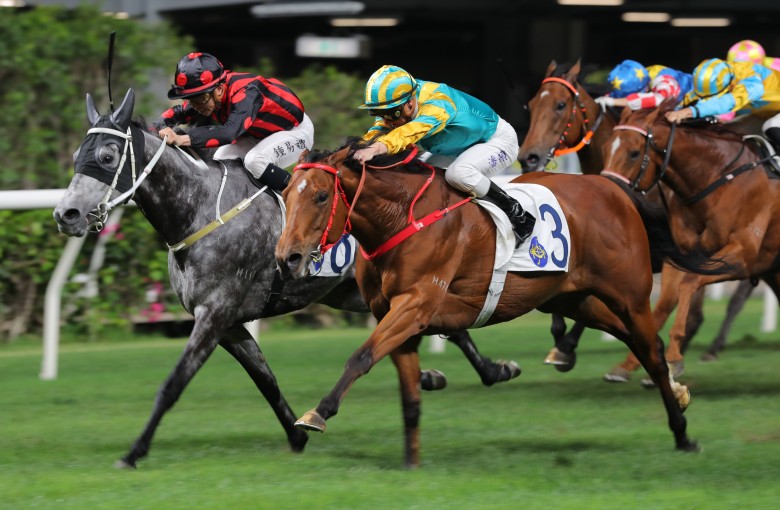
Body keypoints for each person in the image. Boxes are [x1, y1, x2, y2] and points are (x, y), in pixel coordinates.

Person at [352, 65, 534, 247]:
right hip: (455, 150)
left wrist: (377, 149)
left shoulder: (438, 101)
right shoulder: (394, 106)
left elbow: (411, 131)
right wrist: (355, 150)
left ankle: (517, 214)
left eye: (392, 114)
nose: (388, 120)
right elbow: (377, 132)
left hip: (497, 141)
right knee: (417, 177)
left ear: (410, 102)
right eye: (379, 113)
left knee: (458, 174)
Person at [152, 52, 313, 191]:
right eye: (191, 99)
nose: (196, 106)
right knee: (219, 163)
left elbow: (230, 132)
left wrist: (181, 138)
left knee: (255, 161)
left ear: (220, 89)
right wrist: (151, 130)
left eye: (200, 98)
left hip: (295, 132)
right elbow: (178, 112)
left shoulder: (247, 92)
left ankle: (302, 194)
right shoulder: (209, 96)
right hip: (257, 134)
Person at [665, 58, 780, 151]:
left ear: (730, 86)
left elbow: (728, 102)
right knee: (725, 132)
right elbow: (688, 101)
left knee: (771, 126)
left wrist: (687, 112)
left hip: (772, 115)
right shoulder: (715, 79)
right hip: (765, 113)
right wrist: (675, 112)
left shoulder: (751, 79)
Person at [595, 59, 692, 111]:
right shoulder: (639, 78)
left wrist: (614, 102)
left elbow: (658, 99)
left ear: (644, 90)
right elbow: (611, 98)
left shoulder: (665, 80)